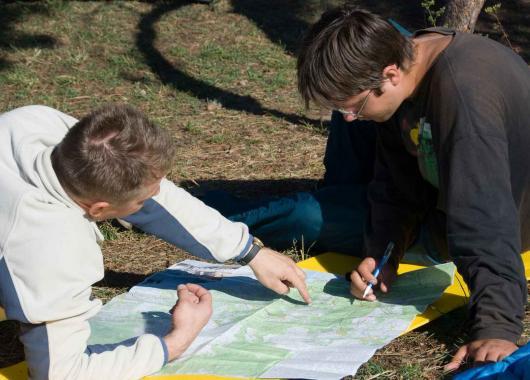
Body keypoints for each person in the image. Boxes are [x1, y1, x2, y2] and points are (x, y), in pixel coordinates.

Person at [296, 5, 530, 371]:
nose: (351, 119)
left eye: (354, 108)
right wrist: (383, 253)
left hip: (507, 222)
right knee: (316, 216)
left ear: (389, 74)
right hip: (441, 206)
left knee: (303, 217)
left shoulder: (464, 94)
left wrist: (497, 325)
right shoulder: (410, 61)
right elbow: (396, 178)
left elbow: (483, 214)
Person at [0, 104, 309, 379]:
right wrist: (173, 343)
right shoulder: (52, 248)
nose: (153, 200)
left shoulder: (34, 123)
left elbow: (152, 193)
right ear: (99, 209)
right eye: (142, 201)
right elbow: (58, 373)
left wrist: (249, 251)